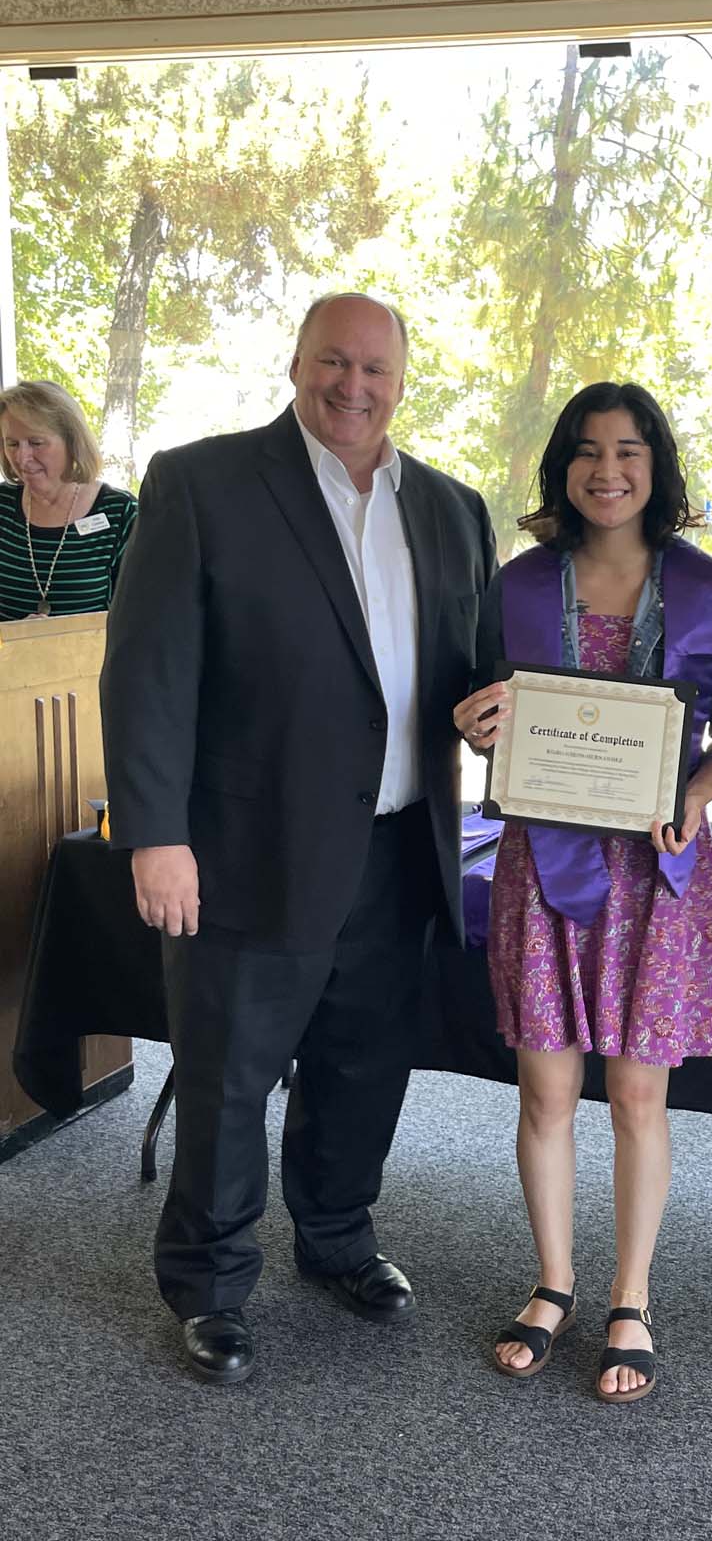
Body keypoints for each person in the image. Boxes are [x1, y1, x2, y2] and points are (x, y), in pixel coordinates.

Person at [100, 293, 495, 1384]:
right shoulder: (203, 482)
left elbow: (470, 671)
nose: (352, 386)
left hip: (400, 848)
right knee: (229, 1073)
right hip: (244, 845)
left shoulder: (455, 508)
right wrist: (154, 835)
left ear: (404, 379)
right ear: (296, 362)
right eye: (333, 362)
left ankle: (336, 1238)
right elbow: (146, 674)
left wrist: (492, 709)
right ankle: (211, 1282)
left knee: (363, 1064)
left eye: (375, 368)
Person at [454, 381, 712, 1402]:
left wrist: (696, 790)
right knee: (547, 1090)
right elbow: (475, 705)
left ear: (656, 466)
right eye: (588, 451)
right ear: (564, 467)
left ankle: (630, 1295)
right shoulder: (516, 587)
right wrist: (476, 724)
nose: (608, 470)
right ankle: (553, 1282)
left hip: (657, 873)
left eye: (629, 451)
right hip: (543, 866)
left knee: (637, 1093)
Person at [0, 380, 136, 621]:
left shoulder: (121, 513)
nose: (21, 457)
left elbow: (141, 619)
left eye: (36, 443)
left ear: (72, 442)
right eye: (12, 444)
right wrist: (14, 640)